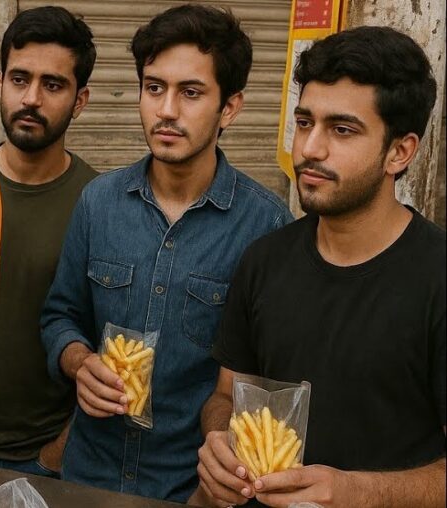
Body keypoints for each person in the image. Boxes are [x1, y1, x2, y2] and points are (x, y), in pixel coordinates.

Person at [39, 4, 291, 501]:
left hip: (192, 488)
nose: (167, 110)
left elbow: (264, 382)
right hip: (88, 476)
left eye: (191, 92)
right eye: (154, 88)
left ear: (231, 108)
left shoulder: (266, 224)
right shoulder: (99, 202)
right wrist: (78, 362)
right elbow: (59, 315)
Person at [193, 26, 444, 508]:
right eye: (305, 122)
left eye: (342, 129)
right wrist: (219, 441)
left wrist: (357, 491)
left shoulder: (436, 279)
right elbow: (228, 395)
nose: (309, 148)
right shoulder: (264, 259)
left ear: (400, 151)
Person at [0, 5, 97, 476]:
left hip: (42, 459)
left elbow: (108, 343)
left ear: (81, 99)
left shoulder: (99, 204)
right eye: (19, 79)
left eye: (53, 85)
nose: (31, 98)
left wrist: (57, 454)